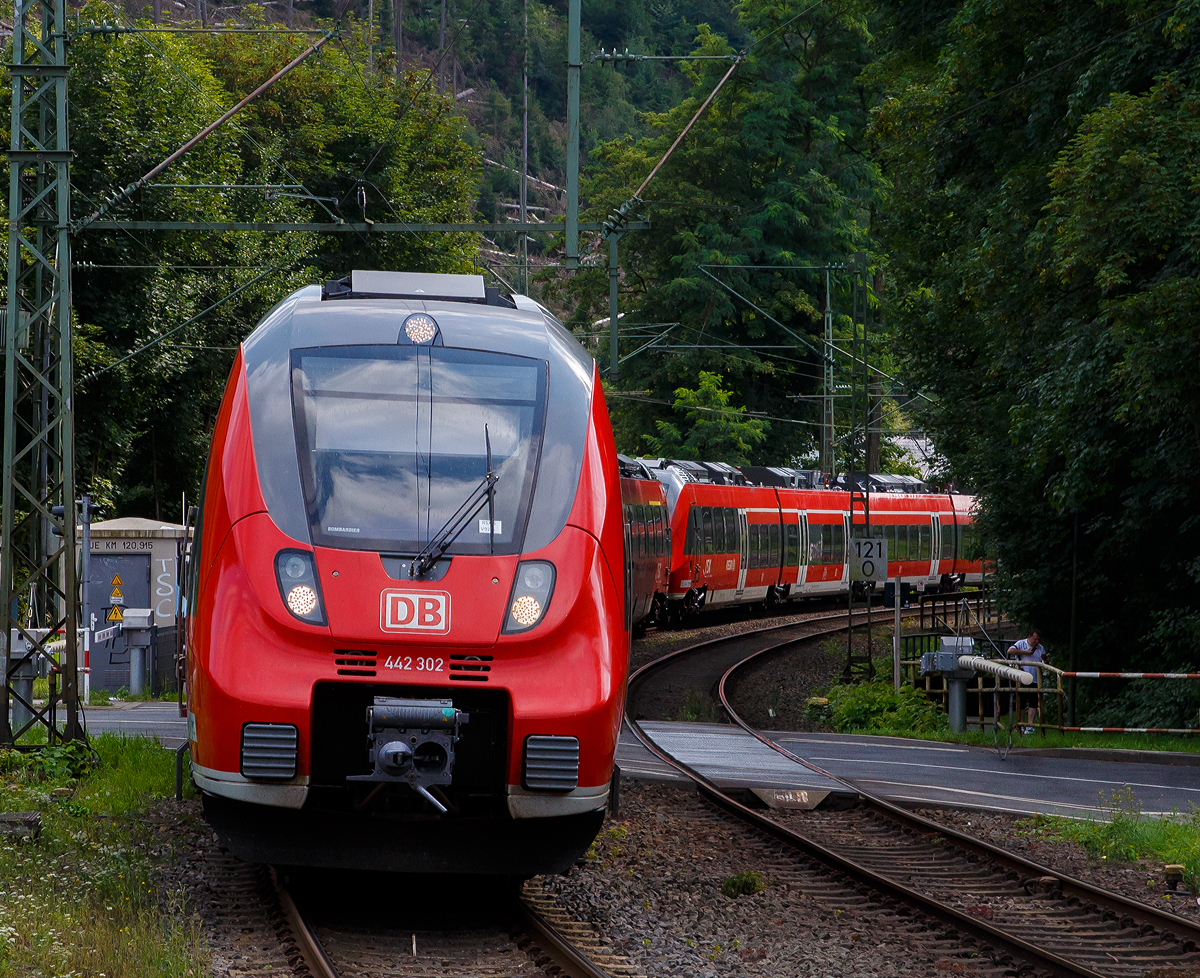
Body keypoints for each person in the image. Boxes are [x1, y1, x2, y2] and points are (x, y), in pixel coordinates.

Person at [1008, 629, 1046, 734]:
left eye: (1038, 639)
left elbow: (1044, 662)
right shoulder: (1021, 644)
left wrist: (1045, 659)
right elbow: (1010, 651)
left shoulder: (1040, 648)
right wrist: (1026, 652)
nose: (1037, 641)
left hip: (1034, 678)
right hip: (1021, 678)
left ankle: (1030, 726)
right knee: (1022, 703)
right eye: (1035, 639)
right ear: (1029, 637)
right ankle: (1022, 724)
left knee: (1033, 702)